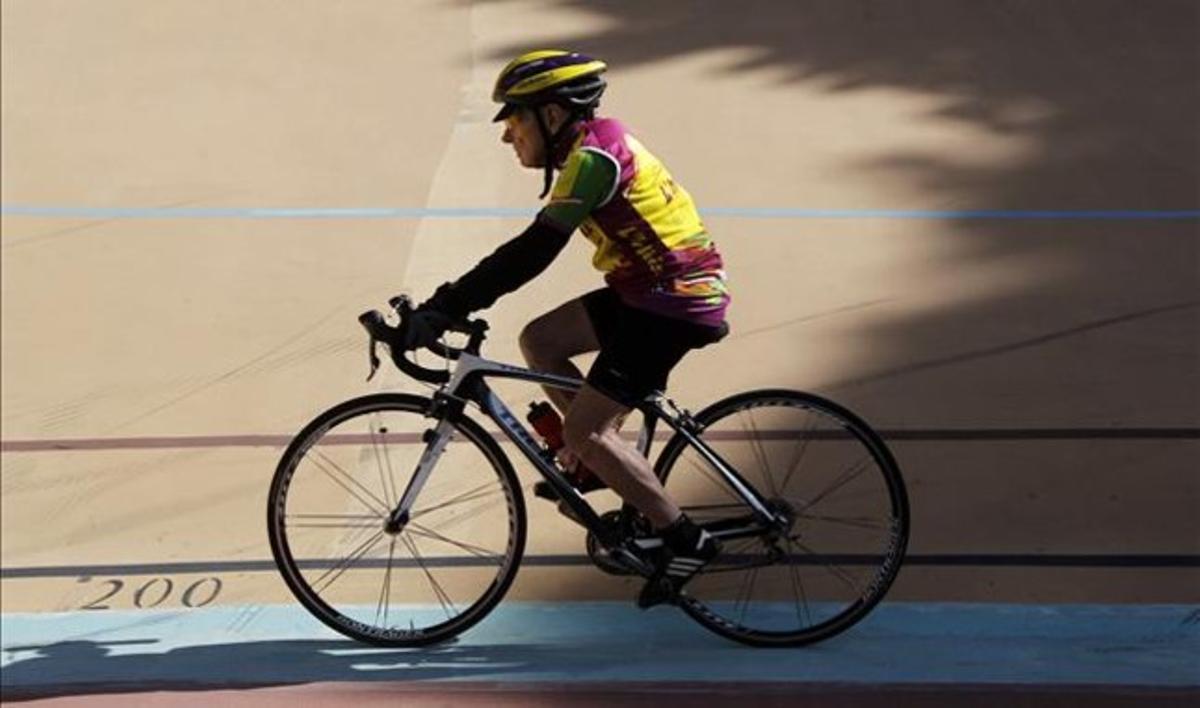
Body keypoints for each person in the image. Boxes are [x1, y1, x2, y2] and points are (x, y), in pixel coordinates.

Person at [405, 50, 730, 607]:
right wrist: (450, 304)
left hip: (672, 302)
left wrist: (446, 305)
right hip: (646, 290)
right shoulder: (590, 148)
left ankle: (684, 538)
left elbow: (532, 252)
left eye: (514, 120)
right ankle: (600, 462)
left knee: (589, 431)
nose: (509, 138)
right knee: (541, 341)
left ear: (552, 116)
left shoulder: (595, 161)